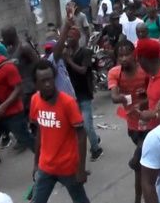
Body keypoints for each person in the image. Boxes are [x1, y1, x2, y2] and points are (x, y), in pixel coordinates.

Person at [0, 36, 35, 188]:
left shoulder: (7, 67)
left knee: (27, 140)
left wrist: (4, 106)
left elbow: (18, 88)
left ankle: (50, 165)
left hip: (12, 114)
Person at [29, 60, 90, 203]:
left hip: (68, 167)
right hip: (46, 166)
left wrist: (81, 168)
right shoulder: (35, 100)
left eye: (50, 79)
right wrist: (36, 163)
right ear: (36, 84)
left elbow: (81, 135)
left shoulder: (68, 103)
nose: (48, 84)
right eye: (43, 81)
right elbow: (39, 132)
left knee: (80, 200)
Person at [108, 40, 149, 203]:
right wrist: (123, 97)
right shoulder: (114, 73)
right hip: (132, 125)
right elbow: (114, 96)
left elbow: (153, 91)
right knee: (144, 162)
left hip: (150, 121)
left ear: (134, 54)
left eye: (127, 54)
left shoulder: (145, 71)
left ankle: (139, 198)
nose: (124, 58)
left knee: (141, 160)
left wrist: (145, 100)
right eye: (120, 56)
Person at [63, 27, 103, 162]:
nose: (68, 39)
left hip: (84, 92)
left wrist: (69, 60)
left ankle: (96, 149)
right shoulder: (66, 53)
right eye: (67, 37)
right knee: (77, 125)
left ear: (77, 38)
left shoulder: (85, 52)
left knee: (86, 123)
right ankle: (95, 139)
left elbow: (82, 70)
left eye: (71, 37)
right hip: (71, 95)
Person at [0, 26, 39, 125]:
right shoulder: (10, 50)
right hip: (20, 92)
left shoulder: (24, 47)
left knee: (35, 121)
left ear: (10, 36)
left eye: (4, 37)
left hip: (30, 90)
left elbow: (38, 64)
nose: (2, 40)